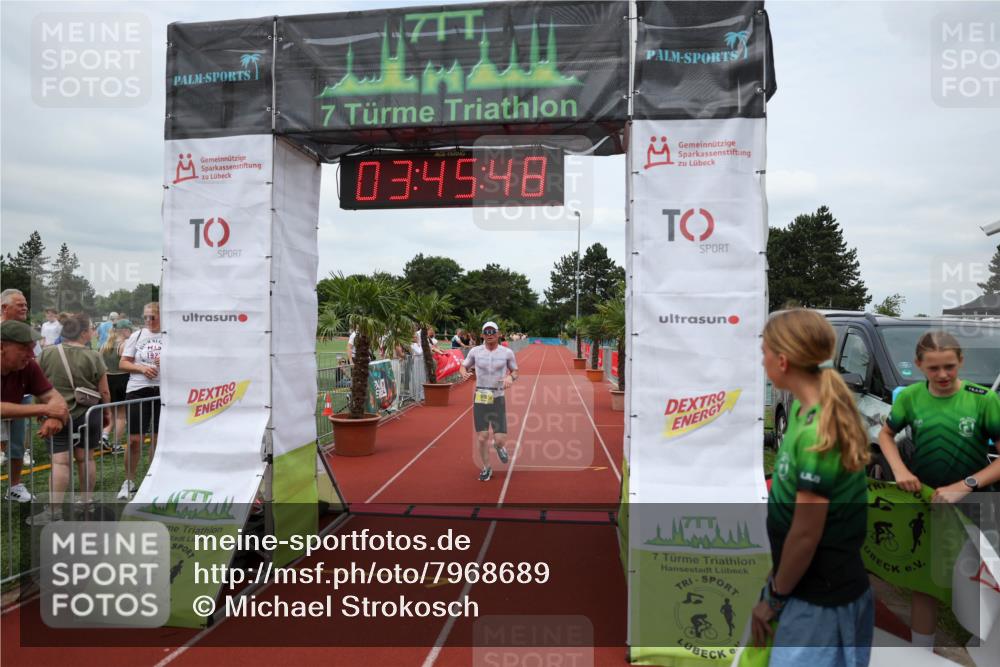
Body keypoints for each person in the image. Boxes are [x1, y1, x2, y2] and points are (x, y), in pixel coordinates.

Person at [752, 309, 873, 665]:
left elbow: (806, 533)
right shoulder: (809, 413)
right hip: (810, 593)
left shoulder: (818, 428)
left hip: (821, 601)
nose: (762, 361)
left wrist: (773, 598)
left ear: (783, 360)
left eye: (765, 352)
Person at [877, 330, 1000, 651]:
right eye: (934, 368)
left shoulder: (983, 399)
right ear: (919, 365)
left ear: (960, 361)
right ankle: (922, 653)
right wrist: (900, 470)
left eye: (949, 366)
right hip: (929, 503)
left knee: (979, 583)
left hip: (975, 503)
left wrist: (966, 485)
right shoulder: (910, 398)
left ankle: (983, 647)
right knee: (926, 583)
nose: (943, 375)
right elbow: (886, 436)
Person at [36, 313, 111, 524]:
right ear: (84, 332)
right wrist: (106, 413)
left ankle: (54, 511)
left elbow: (36, 384)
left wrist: (39, 410)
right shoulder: (94, 356)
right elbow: (104, 392)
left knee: (60, 463)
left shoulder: (46, 353)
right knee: (86, 458)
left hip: (56, 414)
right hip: (90, 413)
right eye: (91, 329)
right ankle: (86, 501)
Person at [1, 320, 69, 503]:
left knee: (16, 448)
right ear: (2, 347)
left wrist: (56, 419)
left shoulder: (29, 366)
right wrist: (46, 409)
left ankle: (14, 486)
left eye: (32, 348)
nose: (31, 354)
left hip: (9, 418)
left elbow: (56, 399)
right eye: (24, 348)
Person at [459, 321, 518, 482]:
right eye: (487, 331)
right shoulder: (475, 352)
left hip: (498, 398)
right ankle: (487, 468)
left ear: (498, 334)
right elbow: (463, 366)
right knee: (482, 436)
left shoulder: (507, 353)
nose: (490, 334)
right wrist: (463, 372)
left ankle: (499, 446)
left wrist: (509, 377)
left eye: (493, 331)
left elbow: (515, 372)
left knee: (499, 439)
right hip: (481, 398)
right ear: (482, 335)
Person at [117, 302, 163, 500]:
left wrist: (168, 360)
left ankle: (154, 481)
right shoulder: (137, 336)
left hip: (163, 391)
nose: (148, 321)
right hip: (137, 390)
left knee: (157, 439)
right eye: (145, 317)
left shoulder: (170, 336)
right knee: (134, 440)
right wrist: (142, 368)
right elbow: (123, 363)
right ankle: (129, 482)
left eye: (152, 317)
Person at [1, 288, 41, 489]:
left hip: (21, 396)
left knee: (17, 445)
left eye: (26, 303)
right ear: (4, 308)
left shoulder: (26, 331)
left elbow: (36, 361)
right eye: (20, 304)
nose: (25, 307)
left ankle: (15, 486)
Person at [100, 319, 132, 452]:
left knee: (112, 413)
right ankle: (116, 444)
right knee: (121, 415)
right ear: (125, 330)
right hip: (122, 379)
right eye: (130, 330)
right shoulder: (124, 344)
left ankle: (104, 436)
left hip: (108, 380)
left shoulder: (105, 344)